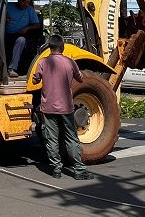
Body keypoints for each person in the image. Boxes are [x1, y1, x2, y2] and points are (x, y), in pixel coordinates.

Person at [32, 34, 95, 180]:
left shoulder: (42, 62)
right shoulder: (70, 62)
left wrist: (38, 77)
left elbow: (36, 81)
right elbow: (80, 78)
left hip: (48, 107)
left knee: (51, 139)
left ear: (49, 48)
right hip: (66, 106)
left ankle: (56, 169)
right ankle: (79, 170)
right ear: (62, 47)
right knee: (71, 138)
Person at [5, 0, 41, 77]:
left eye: (28, 2)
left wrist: (27, 28)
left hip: (19, 35)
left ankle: (12, 68)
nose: (25, 4)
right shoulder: (8, 6)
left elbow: (37, 25)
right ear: (18, 0)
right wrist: (5, 19)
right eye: (23, 1)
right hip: (5, 34)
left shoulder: (29, 10)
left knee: (21, 40)